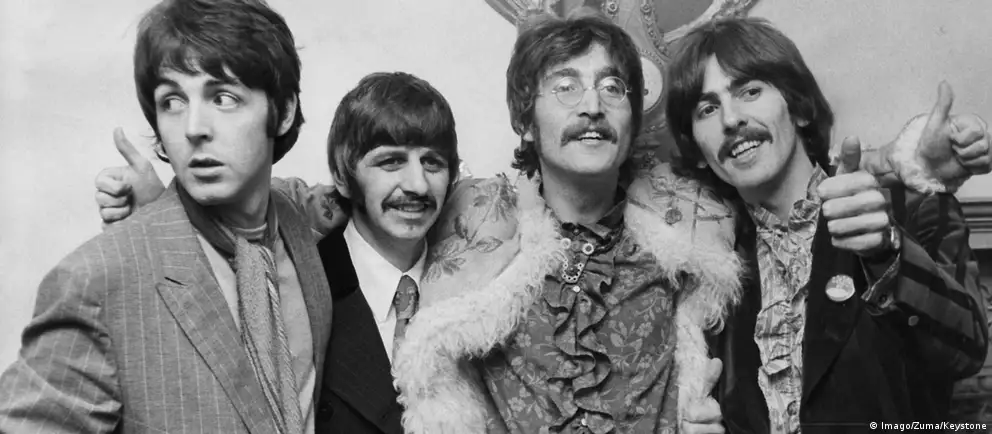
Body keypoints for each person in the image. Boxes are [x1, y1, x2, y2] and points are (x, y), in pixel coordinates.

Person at [92, 9, 991, 434]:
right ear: (526, 117)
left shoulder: (694, 215)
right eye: (566, 86)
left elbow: (798, 196)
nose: (592, 105)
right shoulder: (472, 209)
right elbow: (346, 194)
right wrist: (175, 203)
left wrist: (910, 170)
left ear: (635, 119)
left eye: (612, 88)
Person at [0, 0, 333, 433]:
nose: (193, 127)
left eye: (223, 97)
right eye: (172, 101)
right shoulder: (96, 280)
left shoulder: (297, 224)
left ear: (283, 111)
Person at [663, 17, 990, 432]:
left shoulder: (905, 204)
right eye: (707, 109)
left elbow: (966, 350)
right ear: (697, 150)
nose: (730, 119)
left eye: (750, 91)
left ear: (799, 107)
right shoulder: (713, 270)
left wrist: (886, 251)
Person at [312, 71, 459, 433]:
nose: (417, 185)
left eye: (433, 162)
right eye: (391, 161)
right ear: (343, 175)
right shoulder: (305, 282)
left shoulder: (478, 284)